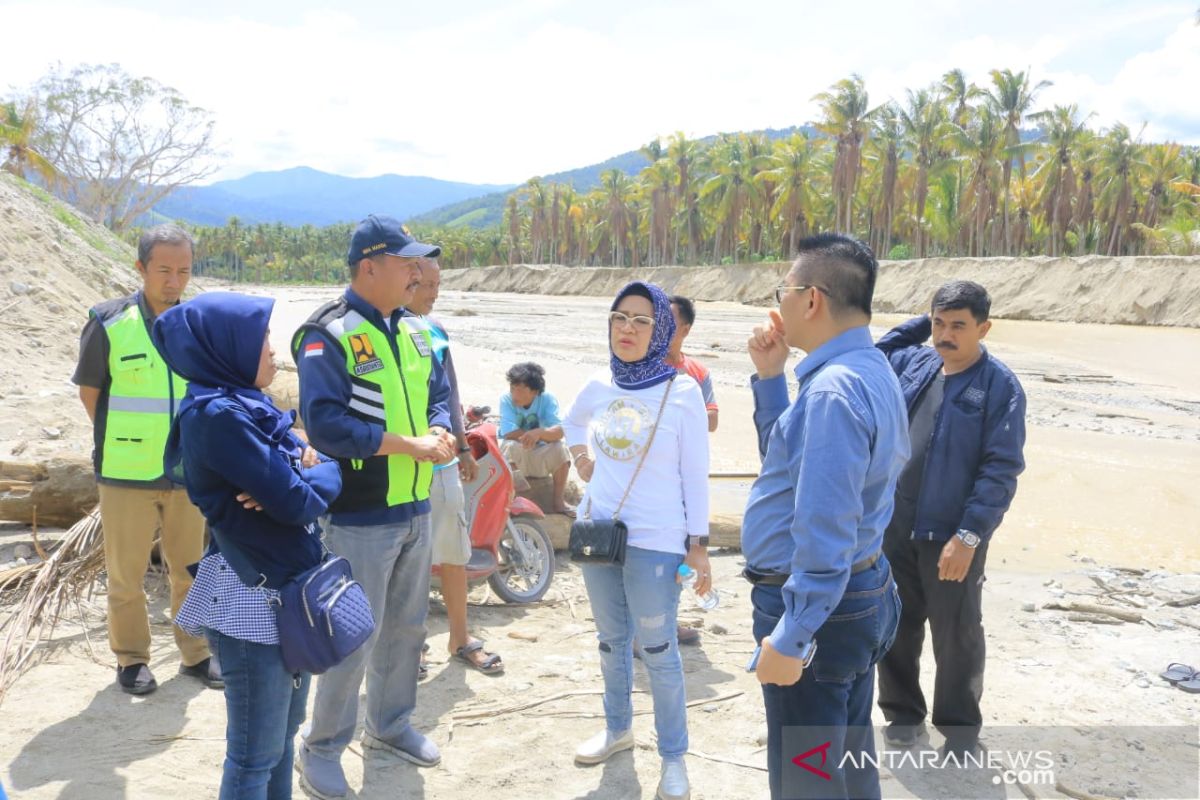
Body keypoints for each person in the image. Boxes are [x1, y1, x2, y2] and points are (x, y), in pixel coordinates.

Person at [153, 292, 341, 800]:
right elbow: (298, 503)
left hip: (284, 588)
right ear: (226, 347)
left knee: (280, 740)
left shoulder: (247, 404)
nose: (274, 351)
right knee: (253, 756)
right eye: (259, 338)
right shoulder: (217, 416)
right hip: (251, 598)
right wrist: (318, 470)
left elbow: (302, 480)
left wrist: (311, 467)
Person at [292, 215, 456, 799]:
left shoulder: (413, 330)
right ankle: (321, 747)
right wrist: (407, 445)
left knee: (408, 629)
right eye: (406, 262)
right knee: (351, 636)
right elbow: (326, 424)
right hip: (360, 514)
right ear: (369, 266)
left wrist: (442, 431)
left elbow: (439, 395)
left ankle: (389, 725)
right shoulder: (327, 334)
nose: (417, 271)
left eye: (419, 262)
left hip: (415, 504)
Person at [742, 233, 908, 800]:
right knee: (848, 758)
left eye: (782, 289)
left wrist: (792, 636)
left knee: (806, 778)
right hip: (858, 591)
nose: (779, 302)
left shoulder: (833, 392)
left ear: (811, 299)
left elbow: (824, 530)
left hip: (821, 608)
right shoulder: (869, 368)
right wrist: (770, 378)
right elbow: (790, 469)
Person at [563, 281, 711, 800]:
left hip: (657, 540)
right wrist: (580, 458)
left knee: (658, 648)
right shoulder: (600, 382)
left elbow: (695, 473)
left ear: (662, 330)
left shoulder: (683, 391)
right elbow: (571, 420)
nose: (627, 329)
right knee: (609, 642)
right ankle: (617, 729)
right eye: (620, 317)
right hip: (600, 532)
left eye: (642, 320)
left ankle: (673, 757)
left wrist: (699, 544)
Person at [875, 281, 1027, 757]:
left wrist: (969, 536)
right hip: (896, 523)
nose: (945, 335)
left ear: (984, 327)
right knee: (896, 626)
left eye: (958, 326)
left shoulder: (999, 386)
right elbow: (881, 349)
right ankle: (902, 715)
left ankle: (959, 728)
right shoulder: (917, 363)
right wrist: (922, 320)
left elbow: (1000, 470)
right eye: (939, 323)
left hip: (951, 535)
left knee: (957, 632)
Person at [71, 223, 220, 695]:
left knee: (190, 569)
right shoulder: (109, 321)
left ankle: (195, 653)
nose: (174, 281)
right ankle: (131, 659)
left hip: (187, 471)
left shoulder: (198, 324)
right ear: (140, 268)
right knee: (126, 575)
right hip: (125, 473)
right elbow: (90, 393)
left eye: (184, 271)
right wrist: (131, 440)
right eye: (163, 270)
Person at [405, 256, 503, 676]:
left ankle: (460, 638)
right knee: (407, 560)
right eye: (425, 284)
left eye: (437, 283)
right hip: (401, 462)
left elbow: (448, 391)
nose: (433, 292)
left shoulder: (435, 331)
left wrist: (463, 447)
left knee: (453, 553)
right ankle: (412, 647)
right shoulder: (378, 329)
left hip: (442, 460)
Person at [499, 361, 574, 516]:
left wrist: (539, 433)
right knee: (509, 446)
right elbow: (508, 432)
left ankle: (558, 501)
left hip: (541, 450)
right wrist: (530, 437)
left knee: (560, 449)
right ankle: (515, 500)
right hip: (520, 452)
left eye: (520, 389)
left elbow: (560, 431)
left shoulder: (547, 399)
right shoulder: (506, 400)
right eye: (512, 388)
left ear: (534, 392)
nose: (514, 394)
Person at [666, 295, 719, 433]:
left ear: (685, 330)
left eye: (668, 321)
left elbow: (712, 421)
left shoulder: (699, 372)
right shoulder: (642, 367)